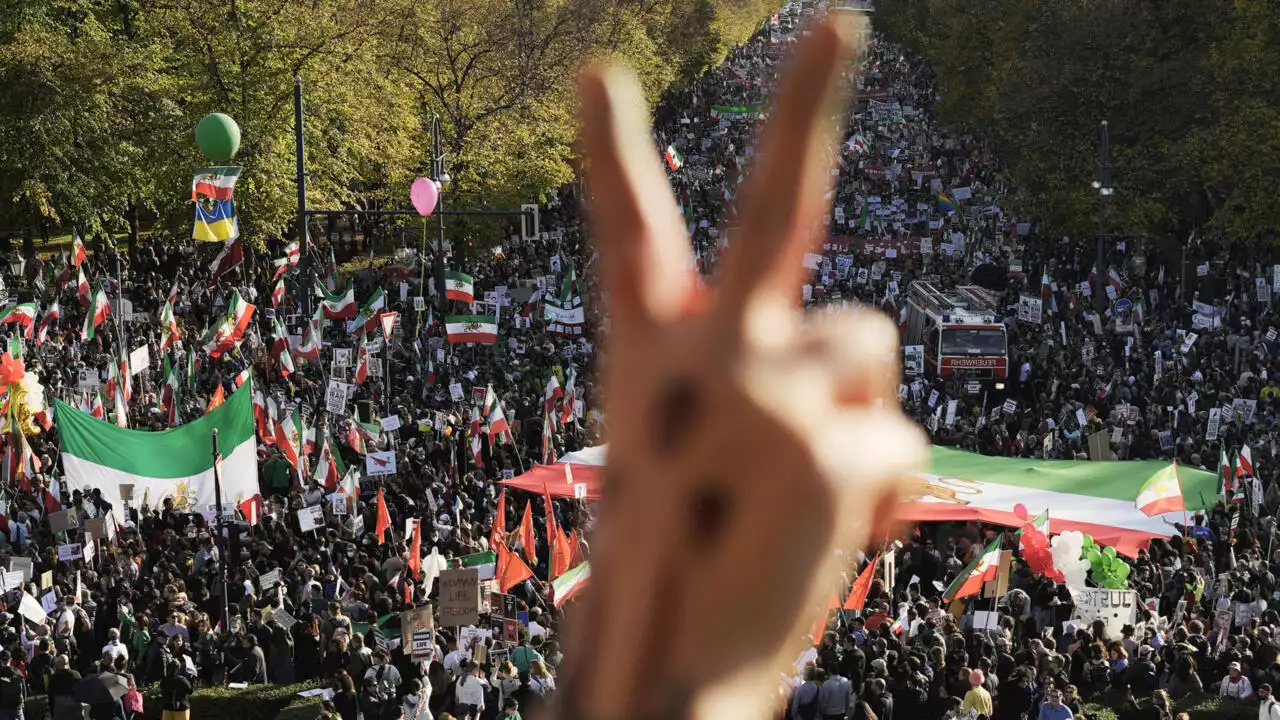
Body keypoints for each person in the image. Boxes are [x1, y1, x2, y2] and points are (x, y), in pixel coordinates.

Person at [0, 650, 25, 720]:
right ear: (10, 659)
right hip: (17, 707)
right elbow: (24, 691)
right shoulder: (18, 672)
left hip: (3, 708)